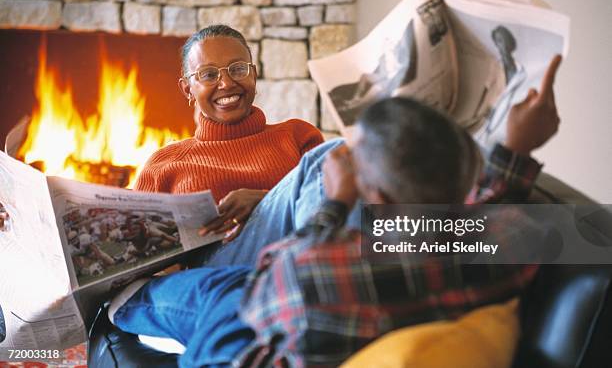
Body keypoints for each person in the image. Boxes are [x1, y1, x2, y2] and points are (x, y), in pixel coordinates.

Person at [107, 54, 562, 367]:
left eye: (354, 157)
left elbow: (274, 280)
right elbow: (496, 203)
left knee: (208, 294)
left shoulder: (316, 272)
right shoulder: (508, 239)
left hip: (257, 334)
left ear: (376, 201)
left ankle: (119, 306)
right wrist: (516, 148)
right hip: (343, 301)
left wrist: (334, 203)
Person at [133, 24, 323, 242]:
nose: (226, 83)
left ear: (253, 74)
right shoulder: (163, 164)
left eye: (238, 69)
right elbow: (140, 251)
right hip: (215, 266)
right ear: (187, 90)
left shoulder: (298, 136)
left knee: (342, 157)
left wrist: (265, 202)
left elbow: (332, 205)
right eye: (208, 75)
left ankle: (372, 255)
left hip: (297, 250)